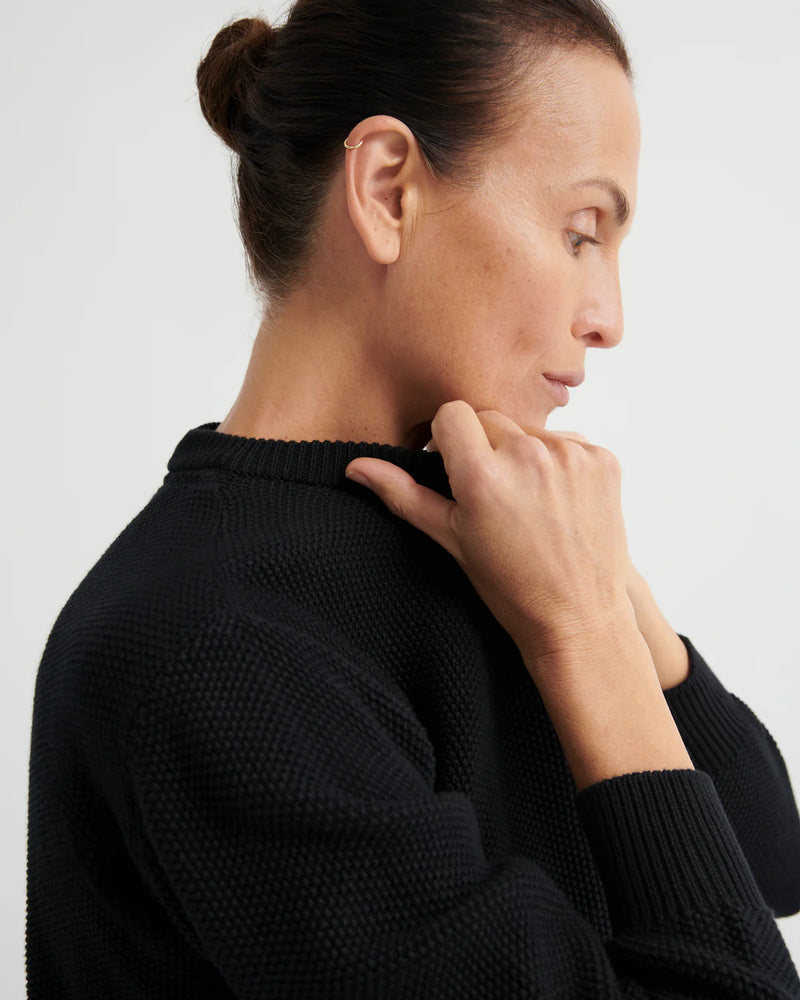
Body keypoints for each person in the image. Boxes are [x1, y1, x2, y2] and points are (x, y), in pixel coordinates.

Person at [25, 1, 800, 997]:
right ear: (388, 189)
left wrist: (610, 604)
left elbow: (765, 857)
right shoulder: (215, 646)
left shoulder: (493, 536)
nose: (607, 317)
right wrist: (582, 638)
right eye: (577, 233)